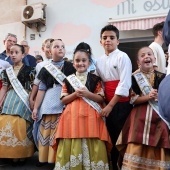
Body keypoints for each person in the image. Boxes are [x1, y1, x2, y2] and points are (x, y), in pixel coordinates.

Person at [53, 42, 112, 169]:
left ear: (89, 63)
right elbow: (63, 100)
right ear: (73, 63)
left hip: (92, 118)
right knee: (71, 138)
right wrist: (75, 94)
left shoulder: (95, 79)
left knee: (93, 138)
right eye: (77, 61)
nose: (80, 63)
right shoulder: (68, 79)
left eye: (84, 60)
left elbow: (101, 98)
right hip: (71, 118)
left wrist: (87, 94)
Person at [116, 46, 170, 169]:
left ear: (154, 59)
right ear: (138, 62)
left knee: (160, 140)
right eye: (143, 55)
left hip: (158, 116)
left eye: (149, 54)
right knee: (137, 140)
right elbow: (133, 99)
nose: (146, 56)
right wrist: (148, 97)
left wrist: (159, 97)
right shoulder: (133, 78)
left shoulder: (163, 77)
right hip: (139, 117)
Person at [32, 39, 76, 167]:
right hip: (48, 102)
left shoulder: (70, 66)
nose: (60, 48)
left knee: (58, 132)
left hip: (63, 100)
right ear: (50, 51)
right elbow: (41, 90)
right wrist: (36, 108)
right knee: (45, 131)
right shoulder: (45, 69)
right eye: (56, 46)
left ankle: (55, 159)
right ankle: (43, 158)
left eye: (62, 46)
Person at [96, 25, 132, 170]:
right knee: (109, 137)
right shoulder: (98, 61)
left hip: (121, 104)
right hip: (106, 104)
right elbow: (99, 84)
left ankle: (124, 166)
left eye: (111, 38)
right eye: (105, 38)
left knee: (121, 138)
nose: (108, 40)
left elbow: (124, 84)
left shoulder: (122, 56)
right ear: (100, 41)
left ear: (118, 41)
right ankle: (113, 165)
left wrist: (110, 105)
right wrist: (104, 103)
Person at [0, 44, 35, 166]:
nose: (13, 55)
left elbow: (33, 87)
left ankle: (21, 154)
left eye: (16, 52)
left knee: (20, 123)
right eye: (11, 52)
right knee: (5, 121)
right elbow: (4, 87)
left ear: (23, 54)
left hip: (23, 97)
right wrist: (0, 101)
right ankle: (8, 154)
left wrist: (32, 100)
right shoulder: (6, 71)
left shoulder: (30, 70)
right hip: (9, 98)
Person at [29, 38, 53, 110]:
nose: (50, 49)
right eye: (48, 47)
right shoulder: (40, 65)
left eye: (53, 46)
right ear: (43, 49)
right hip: (43, 95)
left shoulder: (62, 64)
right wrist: (31, 98)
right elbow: (37, 82)